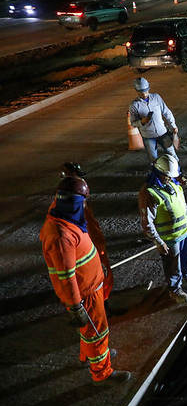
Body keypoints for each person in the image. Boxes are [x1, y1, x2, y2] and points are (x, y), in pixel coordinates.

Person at [40, 176, 132, 386]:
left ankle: (89, 355)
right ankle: (102, 373)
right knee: (97, 332)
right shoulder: (61, 236)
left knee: (89, 331)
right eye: (82, 202)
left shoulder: (63, 215)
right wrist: (76, 307)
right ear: (74, 203)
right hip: (84, 294)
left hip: (90, 286)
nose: (84, 206)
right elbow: (67, 277)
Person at [137, 154, 187, 303]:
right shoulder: (148, 193)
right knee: (173, 264)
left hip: (184, 231)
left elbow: (182, 202)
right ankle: (175, 290)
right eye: (167, 176)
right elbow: (147, 222)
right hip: (169, 238)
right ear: (158, 173)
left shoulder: (173, 184)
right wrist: (158, 241)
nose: (170, 179)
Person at [55, 162, 113, 301]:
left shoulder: (73, 200)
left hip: (93, 244)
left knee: (103, 277)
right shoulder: (71, 209)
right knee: (96, 282)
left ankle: (102, 300)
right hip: (89, 250)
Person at [129, 77, 187, 184]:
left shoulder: (156, 97)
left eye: (146, 91)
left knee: (172, 155)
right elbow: (133, 123)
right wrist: (141, 121)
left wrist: (173, 126)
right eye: (141, 93)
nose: (144, 94)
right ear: (137, 91)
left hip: (162, 133)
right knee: (154, 160)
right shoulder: (134, 105)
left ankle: (179, 176)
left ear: (149, 89)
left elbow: (166, 112)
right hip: (148, 137)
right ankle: (159, 181)